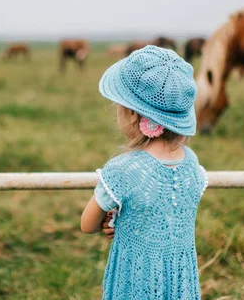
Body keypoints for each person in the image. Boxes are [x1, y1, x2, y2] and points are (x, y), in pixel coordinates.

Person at [81, 45, 208, 299]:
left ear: (130, 114)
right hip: (178, 282)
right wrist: (125, 221)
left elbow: (87, 224)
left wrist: (110, 219)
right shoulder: (192, 165)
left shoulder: (123, 170)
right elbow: (160, 218)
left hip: (135, 282)